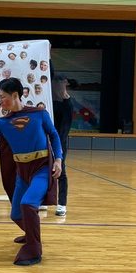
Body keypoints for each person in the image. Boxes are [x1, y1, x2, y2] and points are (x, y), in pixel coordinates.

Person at [0, 77, 62, 266]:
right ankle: (31, 234)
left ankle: (34, 250)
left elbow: (54, 135)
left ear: (15, 95)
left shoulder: (39, 114)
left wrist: (58, 159)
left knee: (28, 204)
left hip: (41, 169)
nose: (0, 101)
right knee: (16, 214)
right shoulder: (2, 123)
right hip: (22, 173)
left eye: (3, 97)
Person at [51, 75, 73, 216]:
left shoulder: (67, 103)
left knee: (61, 172)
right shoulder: (50, 101)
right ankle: (45, 200)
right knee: (44, 170)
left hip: (59, 141)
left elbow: (64, 128)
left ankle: (62, 204)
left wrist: (58, 144)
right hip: (46, 140)